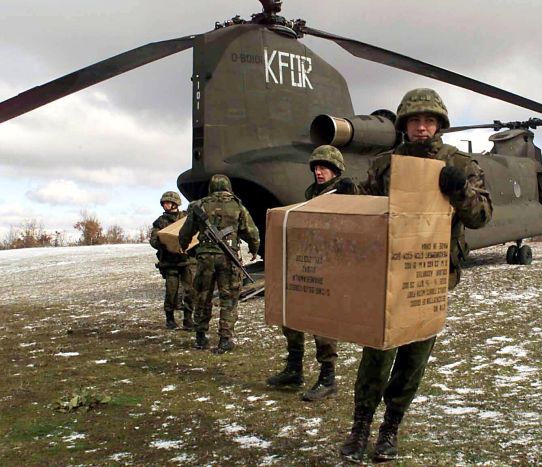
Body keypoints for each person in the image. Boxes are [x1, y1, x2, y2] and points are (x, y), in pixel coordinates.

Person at [340, 88, 493, 463]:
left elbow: (482, 216)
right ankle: (361, 425)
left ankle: (390, 427)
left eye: (428, 121)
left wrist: (460, 191)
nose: (421, 128)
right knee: (376, 353)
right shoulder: (386, 164)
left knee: (413, 360)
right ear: (404, 125)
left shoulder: (459, 163)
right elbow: (365, 206)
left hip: (431, 276)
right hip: (387, 274)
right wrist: (347, 193)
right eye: (414, 121)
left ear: (439, 124)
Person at [266, 145, 355, 401]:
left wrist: (351, 192)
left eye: (324, 167)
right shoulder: (311, 194)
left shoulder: (344, 190)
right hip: (306, 261)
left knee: (322, 322)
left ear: (335, 169)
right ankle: (294, 369)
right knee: (291, 314)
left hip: (331, 265)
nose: (318, 171)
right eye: (316, 167)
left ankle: (328, 379)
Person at [178, 174, 260, 354]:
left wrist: (183, 246)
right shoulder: (237, 206)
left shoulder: (199, 205)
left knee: (203, 295)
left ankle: (200, 336)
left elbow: (185, 232)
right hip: (228, 258)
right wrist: (254, 249)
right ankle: (225, 339)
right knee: (228, 298)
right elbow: (251, 231)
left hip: (205, 257)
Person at [149, 191, 195, 330]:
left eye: (168, 202)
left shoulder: (186, 218)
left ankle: (188, 319)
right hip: (170, 262)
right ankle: (170, 318)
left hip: (186, 260)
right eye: (164, 203)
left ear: (175, 203)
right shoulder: (160, 222)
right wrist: (164, 243)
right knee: (171, 291)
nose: (165, 205)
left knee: (190, 291)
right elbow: (153, 240)